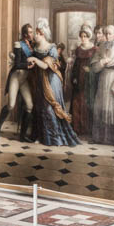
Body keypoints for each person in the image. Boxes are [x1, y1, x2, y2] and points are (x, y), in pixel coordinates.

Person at [27, 19, 79, 147]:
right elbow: (35, 64)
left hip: (51, 81)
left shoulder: (52, 48)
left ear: (43, 34)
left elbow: (46, 66)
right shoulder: (36, 48)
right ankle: (44, 137)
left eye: (38, 33)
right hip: (40, 80)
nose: (35, 35)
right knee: (40, 108)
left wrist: (34, 59)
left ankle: (55, 138)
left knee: (50, 108)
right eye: (36, 33)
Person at [0, 23, 34, 141]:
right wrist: (28, 65)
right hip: (16, 77)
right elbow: (18, 64)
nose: (32, 34)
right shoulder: (18, 44)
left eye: (32, 32)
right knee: (11, 105)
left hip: (24, 80)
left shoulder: (31, 45)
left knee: (30, 105)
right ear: (25, 34)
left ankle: (22, 135)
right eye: (30, 32)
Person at [69, 24, 97, 138]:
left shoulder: (95, 49)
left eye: (85, 36)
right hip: (79, 77)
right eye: (82, 36)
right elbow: (75, 65)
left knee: (87, 102)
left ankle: (86, 129)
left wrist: (90, 70)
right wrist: (74, 77)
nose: (83, 38)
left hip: (89, 78)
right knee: (77, 101)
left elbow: (95, 64)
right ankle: (76, 128)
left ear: (89, 37)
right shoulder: (78, 49)